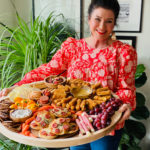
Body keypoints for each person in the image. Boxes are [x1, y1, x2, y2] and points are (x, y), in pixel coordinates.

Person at [0, 0, 137, 149]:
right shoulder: (72, 47)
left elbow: (126, 89)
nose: (102, 27)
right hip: (72, 122)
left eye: (109, 21)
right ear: (89, 18)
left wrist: (127, 104)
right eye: (97, 19)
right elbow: (47, 71)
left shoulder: (123, 53)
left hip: (104, 122)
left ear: (114, 23)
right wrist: (16, 87)